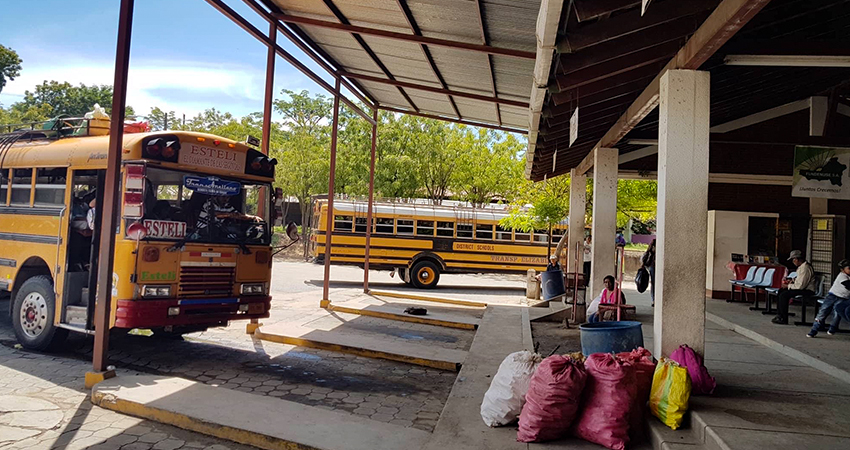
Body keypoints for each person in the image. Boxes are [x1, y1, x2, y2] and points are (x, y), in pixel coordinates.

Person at [807, 259, 850, 337]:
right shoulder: (842, 276)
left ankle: (833, 328)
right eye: (849, 268)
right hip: (832, 296)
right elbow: (848, 285)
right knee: (823, 312)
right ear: (842, 270)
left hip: (843, 298)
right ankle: (814, 329)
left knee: (837, 314)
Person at [773, 250, 816, 325]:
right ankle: (779, 315)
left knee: (784, 295)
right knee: (781, 291)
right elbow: (799, 280)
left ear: (797, 259)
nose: (793, 262)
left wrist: (788, 286)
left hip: (807, 290)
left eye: (793, 260)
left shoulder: (805, 268)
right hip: (801, 288)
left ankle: (783, 318)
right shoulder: (801, 267)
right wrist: (791, 281)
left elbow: (800, 286)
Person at [642, 239, 657, 307]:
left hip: (651, 267)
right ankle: (654, 299)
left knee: (653, 284)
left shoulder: (650, 250)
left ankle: (654, 299)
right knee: (654, 283)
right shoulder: (652, 251)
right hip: (653, 267)